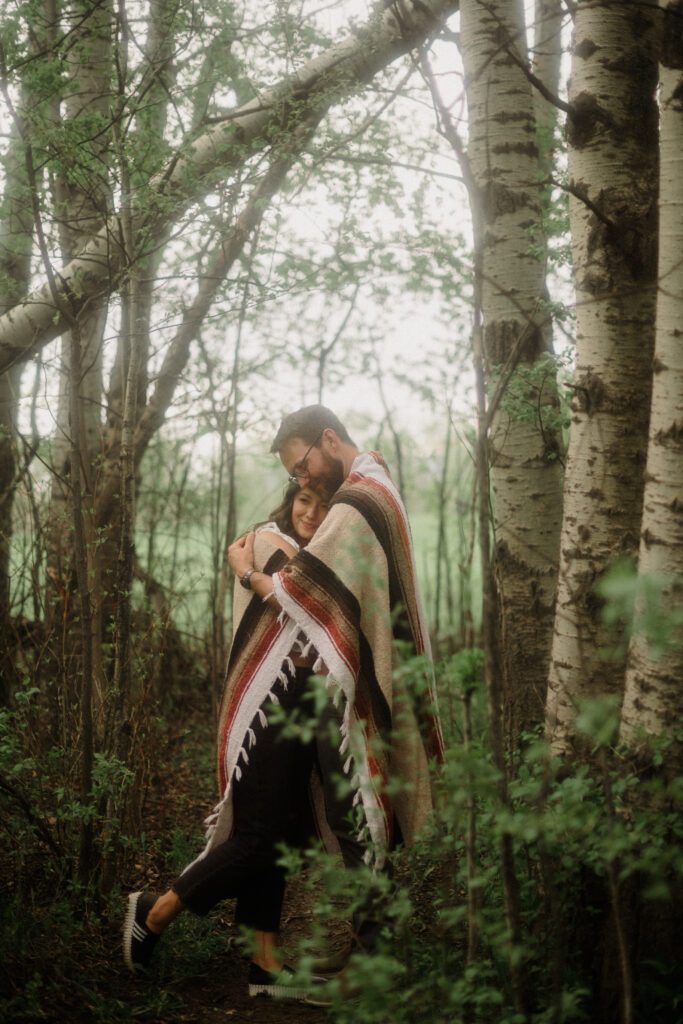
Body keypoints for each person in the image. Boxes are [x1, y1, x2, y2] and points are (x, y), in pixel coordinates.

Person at [227, 405, 444, 999]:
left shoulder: (354, 502)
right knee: (360, 818)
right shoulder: (378, 485)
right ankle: (372, 952)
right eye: (295, 475)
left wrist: (248, 574)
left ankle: (375, 968)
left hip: (349, 693)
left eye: (302, 464)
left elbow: (300, 594)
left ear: (329, 439)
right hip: (350, 680)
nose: (302, 480)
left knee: (358, 818)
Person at [122, 482, 331, 1001]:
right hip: (269, 706)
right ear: (289, 502)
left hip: (302, 702)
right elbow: (305, 609)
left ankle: (264, 964)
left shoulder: (316, 558)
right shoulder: (266, 543)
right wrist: (248, 573)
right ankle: (155, 909)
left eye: (324, 505)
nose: (311, 511)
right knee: (258, 837)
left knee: (280, 836)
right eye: (304, 500)